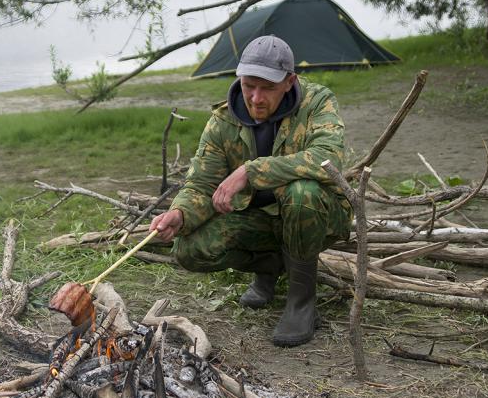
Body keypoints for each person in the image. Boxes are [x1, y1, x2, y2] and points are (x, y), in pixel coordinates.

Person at [150, 35, 352, 347]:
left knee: (302, 193)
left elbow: (327, 160)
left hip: (319, 215)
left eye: (267, 88)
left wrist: (249, 171)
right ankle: (271, 267)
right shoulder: (223, 120)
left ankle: (301, 302)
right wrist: (180, 213)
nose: (255, 98)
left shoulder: (317, 102)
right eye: (249, 85)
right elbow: (202, 185)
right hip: (259, 220)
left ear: (289, 81)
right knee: (189, 249)